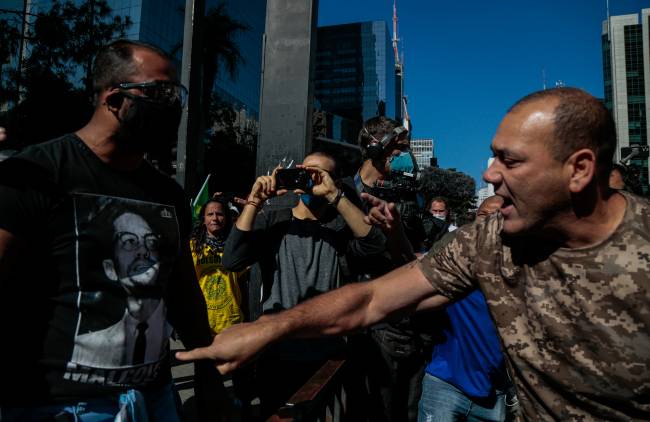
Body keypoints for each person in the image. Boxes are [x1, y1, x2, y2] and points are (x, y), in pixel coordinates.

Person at [177, 87, 650, 420]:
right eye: (492, 158)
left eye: (511, 161)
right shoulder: (487, 240)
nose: (489, 176)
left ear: (579, 169)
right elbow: (372, 299)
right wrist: (268, 328)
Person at [0, 39, 225, 421]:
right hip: (59, 406)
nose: (173, 106)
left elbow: (182, 291)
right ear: (114, 97)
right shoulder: (37, 174)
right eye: (161, 92)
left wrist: (211, 373)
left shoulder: (167, 193)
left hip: (154, 400)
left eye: (177, 95)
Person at [222, 151, 385, 418]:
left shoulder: (340, 228)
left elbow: (375, 246)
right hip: (277, 356)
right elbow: (232, 260)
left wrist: (335, 196)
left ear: (335, 181)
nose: (310, 179)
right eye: (305, 171)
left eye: (318, 174)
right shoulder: (274, 220)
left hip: (329, 358)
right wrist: (254, 202)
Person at [418, 195, 518, 422]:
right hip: (445, 385)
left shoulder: (523, 271)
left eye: (498, 218)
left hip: (495, 393)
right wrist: (395, 232)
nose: (490, 224)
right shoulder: (454, 261)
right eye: (484, 216)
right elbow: (410, 265)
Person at [191, 197, 247, 336]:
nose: (215, 218)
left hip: (231, 322)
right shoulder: (192, 247)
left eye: (220, 214)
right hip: (202, 321)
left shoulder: (235, 246)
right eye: (210, 214)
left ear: (226, 218)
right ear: (203, 219)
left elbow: (242, 281)